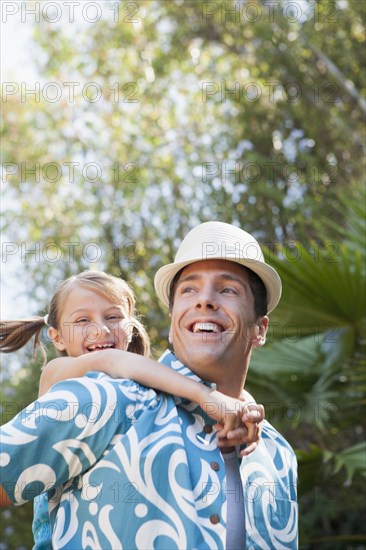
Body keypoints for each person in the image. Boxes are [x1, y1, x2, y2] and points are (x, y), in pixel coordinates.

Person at [0, 269, 264, 549]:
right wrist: (204, 394)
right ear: (57, 337)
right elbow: (113, 361)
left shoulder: (140, 389)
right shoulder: (59, 372)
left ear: (131, 326)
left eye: (113, 317)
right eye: (82, 320)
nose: (100, 329)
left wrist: (243, 402)